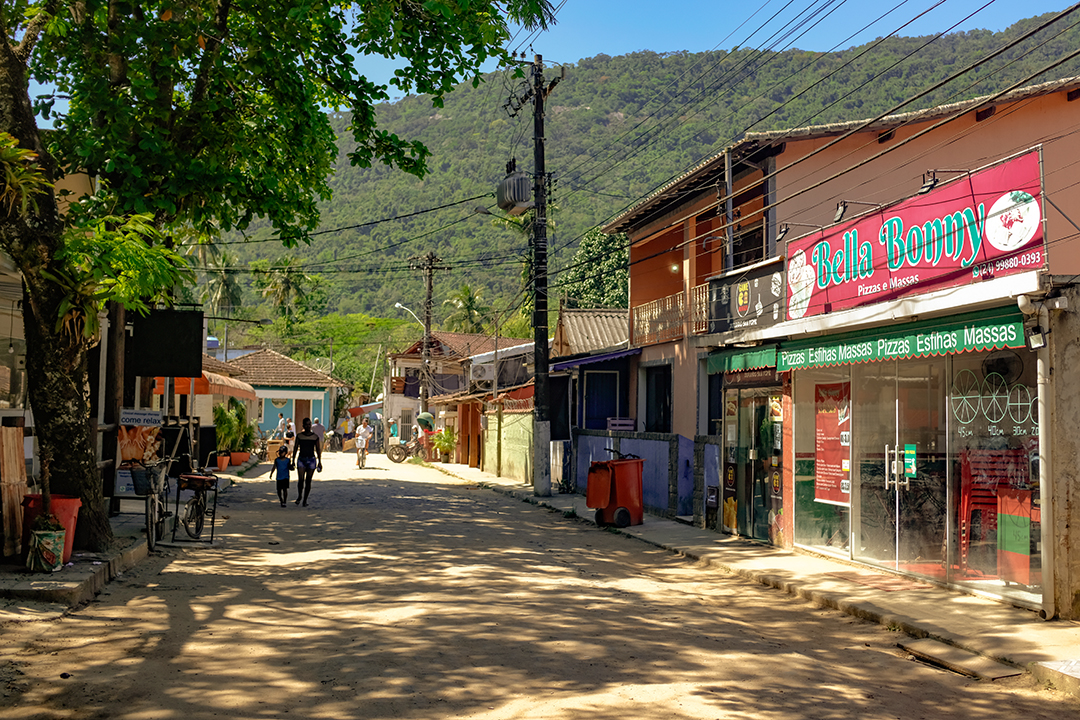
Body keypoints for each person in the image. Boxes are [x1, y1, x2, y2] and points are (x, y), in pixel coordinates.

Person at [291, 417, 322, 506]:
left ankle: (305, 500)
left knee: (308, 481)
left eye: (309, 424)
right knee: (301, 480)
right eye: (306, 424)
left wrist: (320, 461)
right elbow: (295, 449)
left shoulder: (315, 437)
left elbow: (318, 450)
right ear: (303, 425)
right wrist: (293, 461)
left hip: (312, 459)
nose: (308, 426)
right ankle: (300, 495)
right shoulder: (299, 436)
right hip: (301, 459)